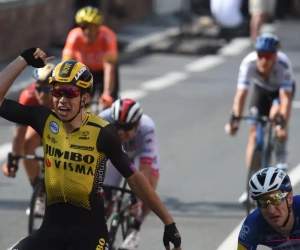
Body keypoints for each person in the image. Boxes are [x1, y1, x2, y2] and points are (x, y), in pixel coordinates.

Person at [0, 48, 181, 250]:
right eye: (57, 92)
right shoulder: (44, 120)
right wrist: (22, 59)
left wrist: (169, 222)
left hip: (90, 237)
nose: (62, 99)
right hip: (50, 232)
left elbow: (134, 177)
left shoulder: (103, 132)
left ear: (85, 98)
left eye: (70, 93)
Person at [225, 33, 295, 203]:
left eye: (268, 56)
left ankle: (281, 150)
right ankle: (253, 186)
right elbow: (241, 94)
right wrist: (234, 120)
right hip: (261, 90)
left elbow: (286, 100)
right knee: (253, 132)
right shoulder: (248, 63)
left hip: (280, 92)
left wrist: (282, 125)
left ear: (275, 56)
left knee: (275, 115)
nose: (263, 60)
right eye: (260, 55)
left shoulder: (283, 64)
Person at [99, 98, 160, 250]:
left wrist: (137, 200)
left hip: (140, 155)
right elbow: (93, 155)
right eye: (117, 126)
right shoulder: (102, 119)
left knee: (148, 190)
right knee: (103, 194)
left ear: (137, 124)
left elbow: (144, 169)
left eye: (126, 127)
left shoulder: (147, 128)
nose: (120, 132)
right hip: (117, 153)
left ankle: (135, 229)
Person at [2, 64, 55, 215]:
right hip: (41, 126)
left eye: (47, 89)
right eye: (38, 88)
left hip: (63, 127)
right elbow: (19, 133)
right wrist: (14, 162)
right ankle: (39, 192)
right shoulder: (28, 96)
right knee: (26, 144)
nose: (42, 94)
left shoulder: (62, 96)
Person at [63, 6, 119, 110]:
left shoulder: (107, 36)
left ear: (98, 27)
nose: (88, 31)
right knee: (80, 103)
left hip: (104, 71)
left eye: (92, 27)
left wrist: (107, 93)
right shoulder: (74, 36)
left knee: (110, 105)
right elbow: (65, 66)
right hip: (86, 72)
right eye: (84, 27)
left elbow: (109, 67)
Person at [237, 167, 300, 249]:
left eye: (276, 199)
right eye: (262, 202)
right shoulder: (253, 224)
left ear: (290, 197)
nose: (271, 211)